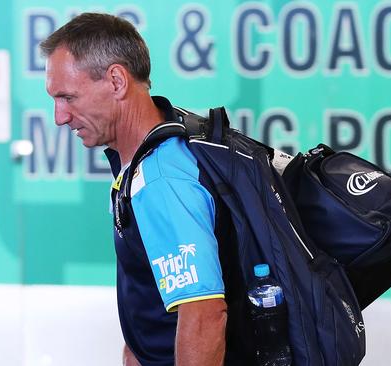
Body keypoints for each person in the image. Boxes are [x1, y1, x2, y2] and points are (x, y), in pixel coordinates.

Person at [41, 12, 247, 366]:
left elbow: (204, 317)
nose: (59, 116)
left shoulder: (162, 178)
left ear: (117, 81)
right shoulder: (141, 159)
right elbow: (150, 303)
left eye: (68, 98)